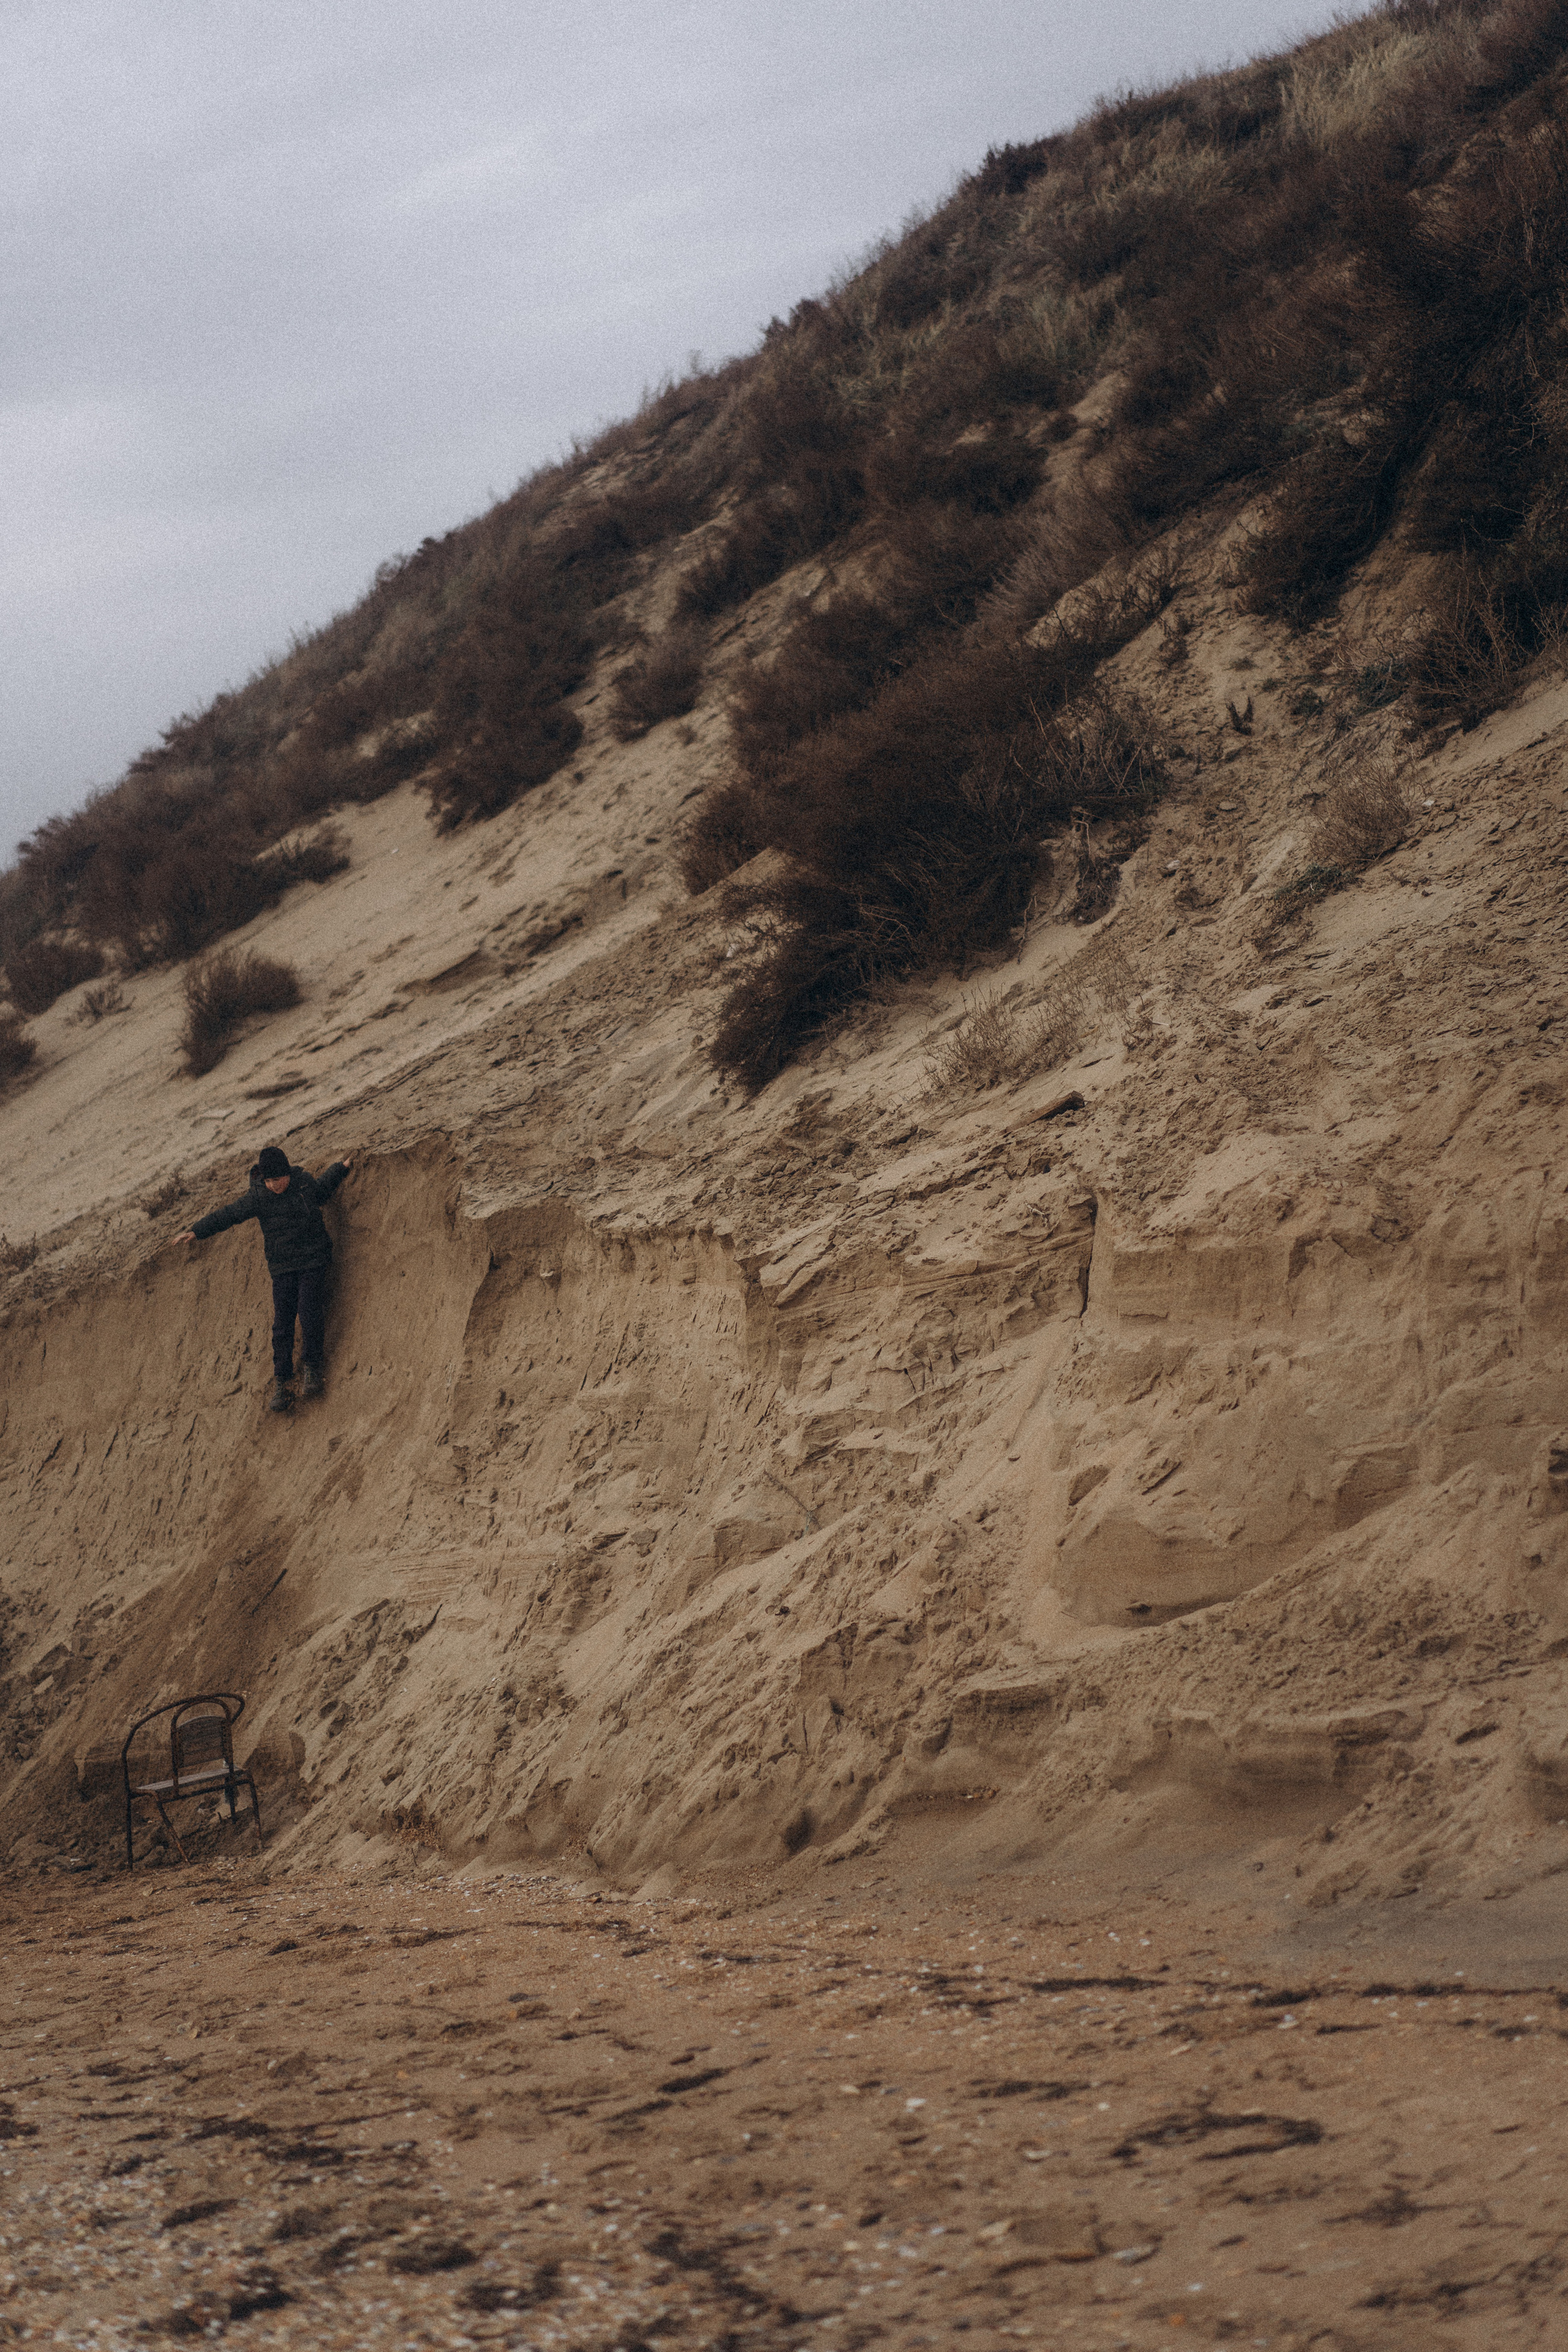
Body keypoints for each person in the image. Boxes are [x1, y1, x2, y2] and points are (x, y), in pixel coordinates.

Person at [174, 1145, 354, 1412]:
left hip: (313, 1259)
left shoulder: (303, 1184)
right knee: (282, 1324)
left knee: (309, 1311)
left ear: (287, 1173)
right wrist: (197, 1231)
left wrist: (341, 1168)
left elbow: (322, 1190)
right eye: (268, 1181)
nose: (273, 1185)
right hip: (282, 1267)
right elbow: (229, 1215)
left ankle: (312, 1367)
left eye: (277, 1179)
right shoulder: (259, 1196)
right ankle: (282, 1381)